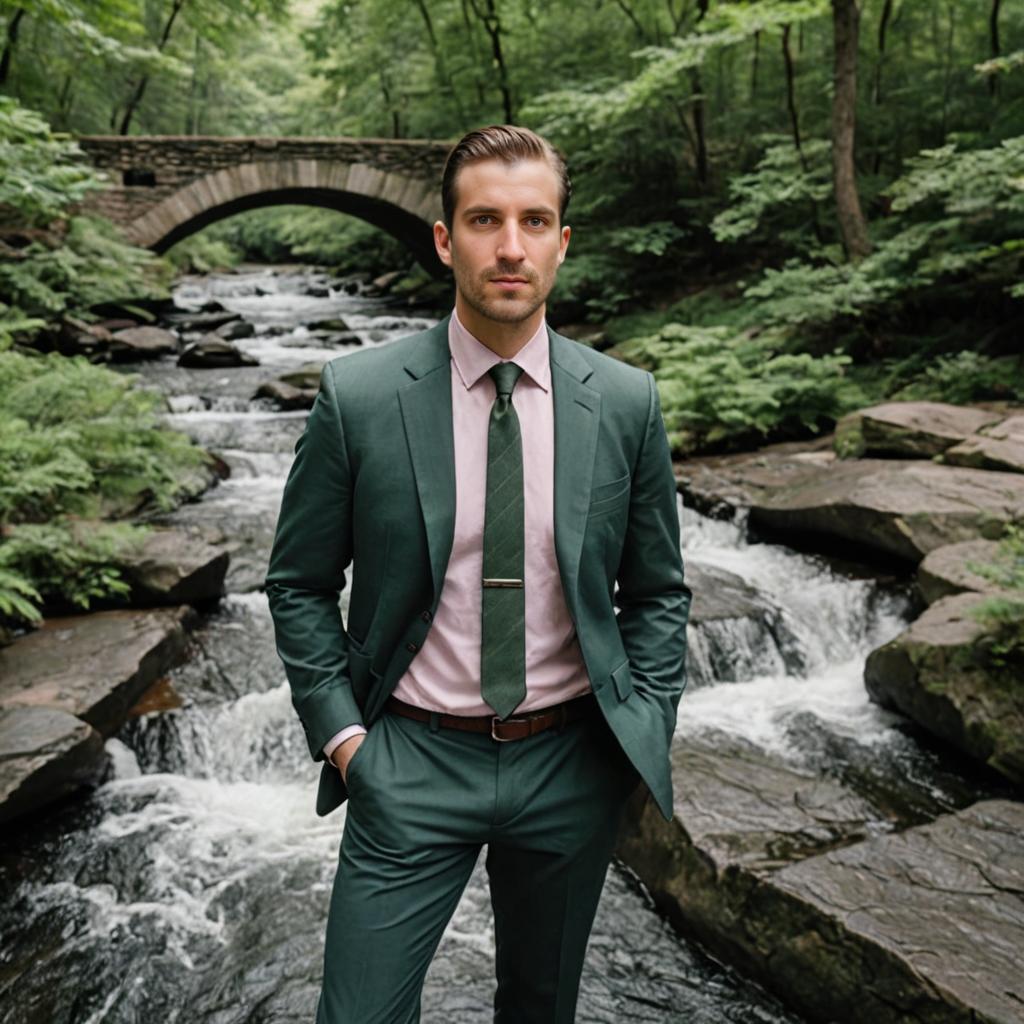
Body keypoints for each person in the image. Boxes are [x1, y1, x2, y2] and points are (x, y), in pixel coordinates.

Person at [264, 124, 692, 1024]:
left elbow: (656, 592)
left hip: (571, 762)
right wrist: (346, 741)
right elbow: (298, 582)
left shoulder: (624, 400)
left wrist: (639, 724)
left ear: (562, 242)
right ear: (443, 237)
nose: (510, 246)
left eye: (535, 221)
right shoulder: (361, 396)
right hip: (408, 759)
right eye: (485, 219)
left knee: (541, 1010)